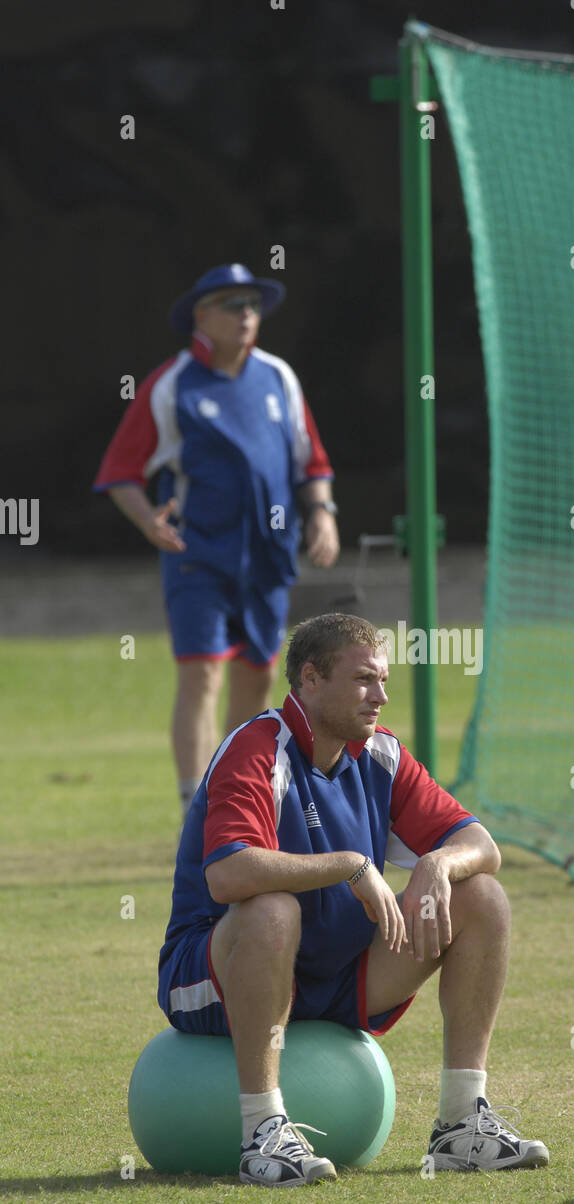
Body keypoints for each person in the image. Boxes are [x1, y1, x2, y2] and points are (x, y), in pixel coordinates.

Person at [157, 612, 549, 1186]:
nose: (382, 696)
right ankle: (262, 1135)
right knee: (272, 910)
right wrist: (351, 866)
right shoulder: (258, 748)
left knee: (482, 897)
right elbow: (228, 875)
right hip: (211, 979)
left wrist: (439, 863)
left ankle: (461, 1123)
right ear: (310, 680)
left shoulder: (381, 754)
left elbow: (480, 844)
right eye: (366, 680)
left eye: (384, 680)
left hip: (336, 976)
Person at [93, 263, 340, 817]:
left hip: (269, 560)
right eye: (233, 304)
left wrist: (322, 514)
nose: (246, 315)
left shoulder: (278, 376)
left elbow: (311, 462)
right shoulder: (173, 383)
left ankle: (232, 803)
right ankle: (194, 810)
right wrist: (147, 521)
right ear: (201, 315)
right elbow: (120, 472)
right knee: (201, 674)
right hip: (198, 557)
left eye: (253, 304)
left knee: (255, 679)